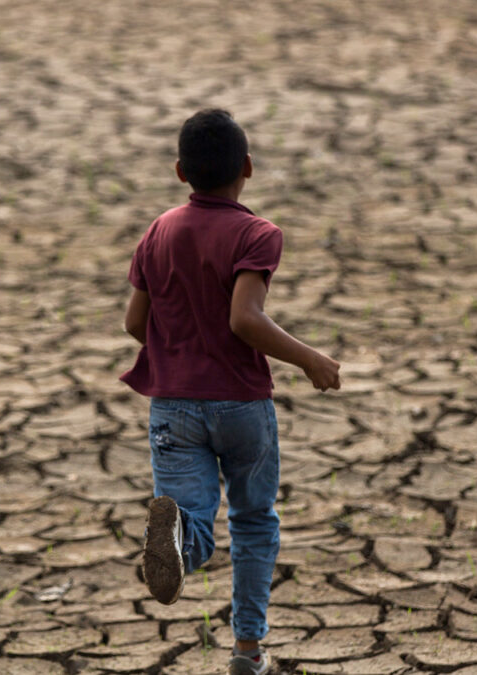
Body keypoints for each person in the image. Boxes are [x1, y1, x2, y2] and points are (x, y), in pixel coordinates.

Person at [120, 108, 341, 674]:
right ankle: (247, 651)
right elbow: (246, 319)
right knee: (252, 520)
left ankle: (179, 540)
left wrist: (179, 332)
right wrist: (309, 358)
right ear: (247, 167)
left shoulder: (158, 231)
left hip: (172, 405)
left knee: (192, 517)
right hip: (240, 403)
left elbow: (133, 324)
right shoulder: (256, 234)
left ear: (179, 171)